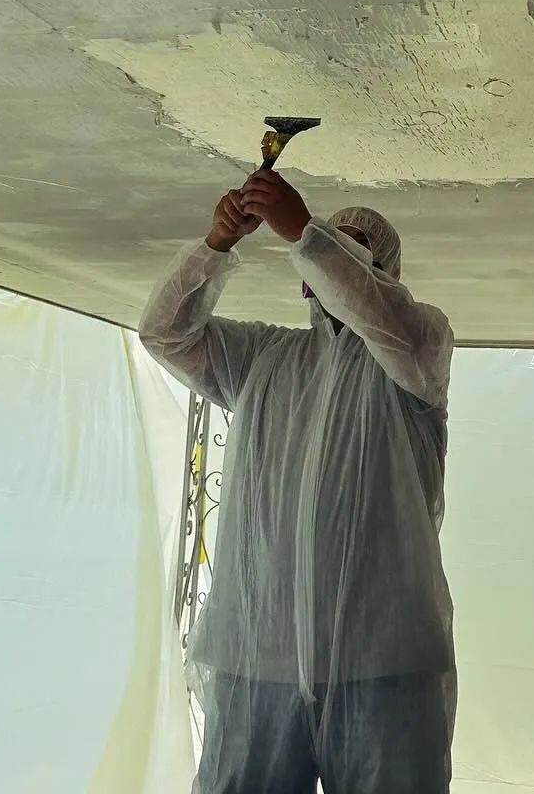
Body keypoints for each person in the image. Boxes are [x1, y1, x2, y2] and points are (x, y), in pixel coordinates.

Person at [139, 157, 456, 794]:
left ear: (385, 276)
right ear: (307, 283)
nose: (340, 272)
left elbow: (378, 315)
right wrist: (215, 246)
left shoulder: (417, 351)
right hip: (257, 657)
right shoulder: (265, 358)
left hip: (384, 660)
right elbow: (164, 334)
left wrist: (306, 234)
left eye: (358, 258)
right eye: (333, 257)